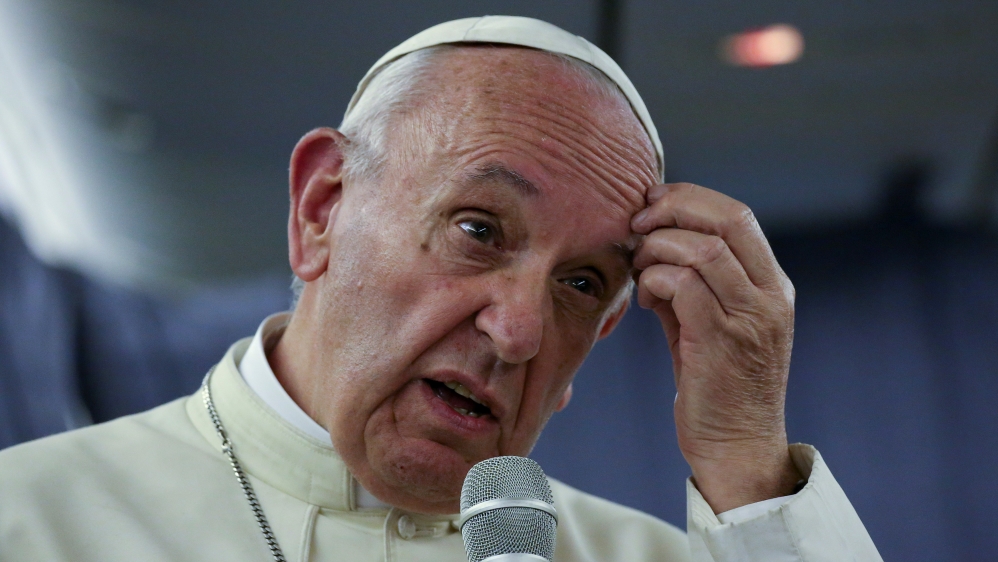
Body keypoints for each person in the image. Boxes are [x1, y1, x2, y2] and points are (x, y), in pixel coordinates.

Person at [0, 16, 882, 561]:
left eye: (581, 283)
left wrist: (747, 463)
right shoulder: (31, 521)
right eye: (478, 230)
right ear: (321, 210)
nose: (519, 331)